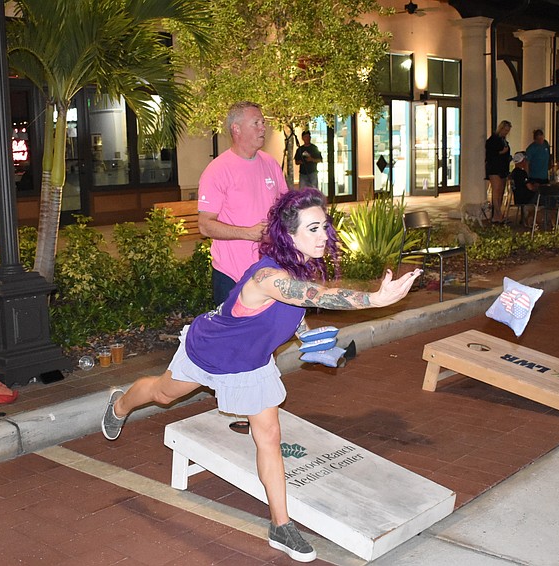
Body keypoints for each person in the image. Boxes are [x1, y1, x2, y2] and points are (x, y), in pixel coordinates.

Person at [101, 188, 423, 563]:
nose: (324, 236)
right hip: (211, 351)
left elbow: (297, 305)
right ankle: (120, 403)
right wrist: (375, 299)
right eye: (314, 228)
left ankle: (280, 525)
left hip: (251, 362)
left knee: (268, 435)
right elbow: (314, 297)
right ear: (289, 235)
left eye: (325, 227)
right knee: (163, 394)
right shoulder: (269, 276)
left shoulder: (303, 268)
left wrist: (309, 338)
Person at [198, 102, 290, 306]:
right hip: (231, 275)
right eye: (256, 123)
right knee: (233, 336)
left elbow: (287, 211)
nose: (263, 127)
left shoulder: (271, 164)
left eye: (263, 122)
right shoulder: (217, 171)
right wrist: (248, 233)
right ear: (236, 129)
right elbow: (205, 225)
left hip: (270, 270)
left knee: (270, 335)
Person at [485, 120, 512, 223]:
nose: (506, 132)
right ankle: (497, 213)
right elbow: (490, 154)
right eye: (505, 130)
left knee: (501, 191)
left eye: (508, 131)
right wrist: (501, 152)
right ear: (501, 128)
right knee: (496, 191)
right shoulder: (493, 140)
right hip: (494, 168)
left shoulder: (503, 140)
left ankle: (496, 215)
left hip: (503, 168)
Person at [509, 152, 540, 225]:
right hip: (526, 198)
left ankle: (526, 219)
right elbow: (530, 188)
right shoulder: (522, 173)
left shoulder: (513, 173)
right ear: (522, 161)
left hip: (517, 198)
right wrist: (537, 187)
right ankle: (531, 218)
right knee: (542, 196)